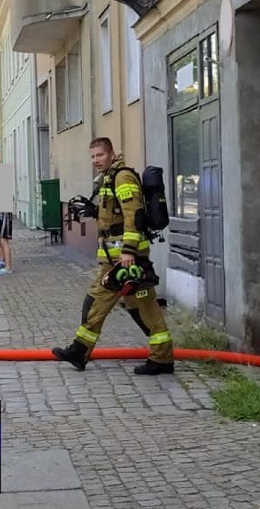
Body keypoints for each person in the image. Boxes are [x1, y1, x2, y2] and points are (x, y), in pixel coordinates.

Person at [52, 138, 174, 375]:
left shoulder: (122, 177)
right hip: (117, 259)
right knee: (133, 307)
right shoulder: (109, 177)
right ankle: (161, 358)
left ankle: (81, 350)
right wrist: (96, 211)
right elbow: (115, 215)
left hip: (124, 260)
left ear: (111, 154)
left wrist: (128, 251)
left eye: (99, 155)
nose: (96, 160)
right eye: (92, 157)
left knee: (114, 304)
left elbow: (133, 215)